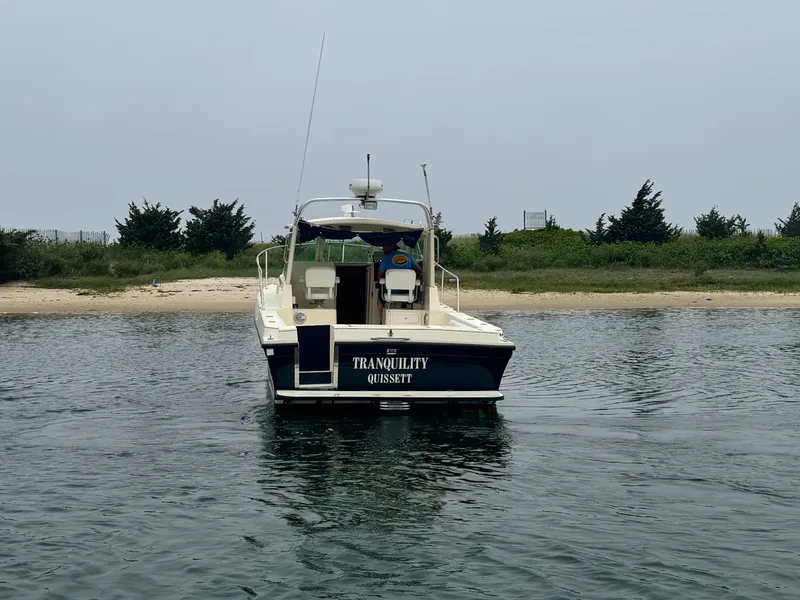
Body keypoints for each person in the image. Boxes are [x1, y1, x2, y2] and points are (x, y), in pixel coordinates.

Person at [376, 244, 422, 314]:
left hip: (390, 291)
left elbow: (380, 276)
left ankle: (381, 320)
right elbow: (418, 270)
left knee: (379, 300)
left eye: (384, 246)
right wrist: (413, 280)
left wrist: (381, 280)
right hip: (406, 291)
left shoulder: (386, 257)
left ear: (391, 246)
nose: (383, 249)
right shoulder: (408, 256)